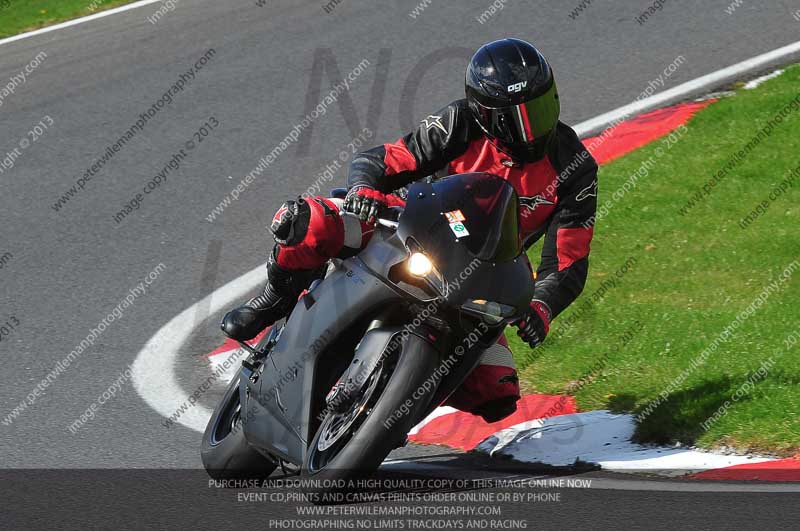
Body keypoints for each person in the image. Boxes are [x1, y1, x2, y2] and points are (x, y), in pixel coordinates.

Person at [221, 38, 598, 422]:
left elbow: (568, 260)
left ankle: (389, 410)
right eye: (514, 118)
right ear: (484, 114)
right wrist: (364, 189)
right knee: (308, 223)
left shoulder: (575, 169)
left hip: (478, 276)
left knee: (497, 392)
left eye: (539, 109)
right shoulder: (460, 122)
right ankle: (273, 300)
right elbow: (388, 158)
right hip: (407, 227)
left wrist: (541, 306)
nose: (531, 130)